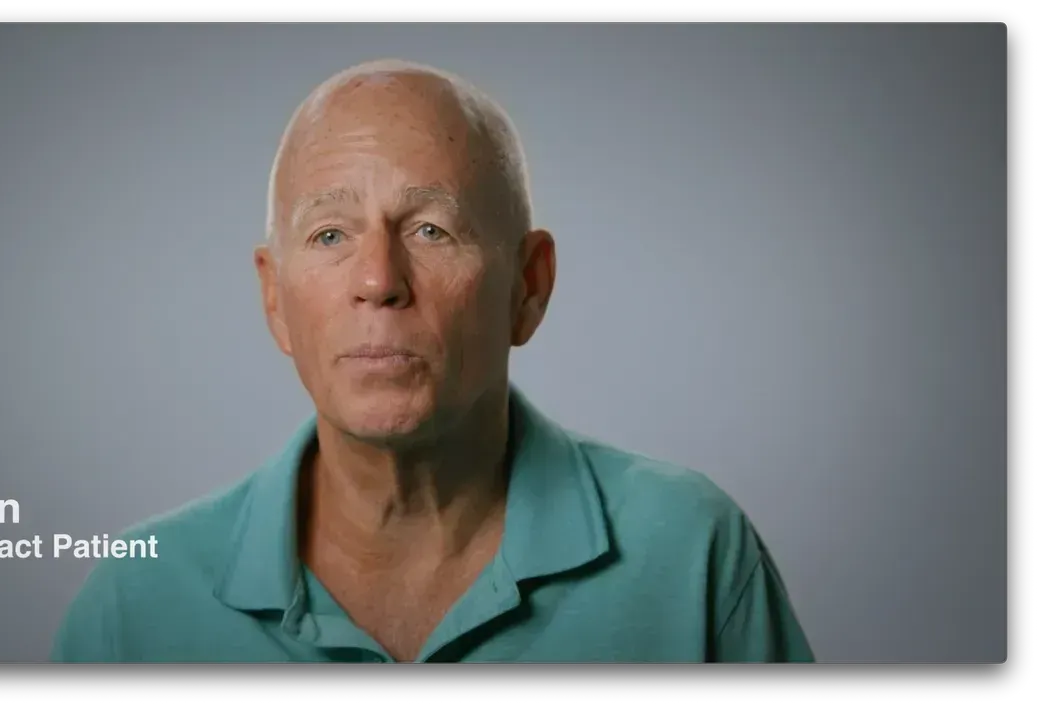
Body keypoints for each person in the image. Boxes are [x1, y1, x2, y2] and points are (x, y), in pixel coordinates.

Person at [51, 59, 815, 663]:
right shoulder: (134, 604)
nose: (380, 281)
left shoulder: (691, 554)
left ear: (528, 285)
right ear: (274, 299)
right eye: (329, 236)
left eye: (431, 230)